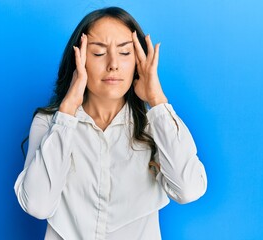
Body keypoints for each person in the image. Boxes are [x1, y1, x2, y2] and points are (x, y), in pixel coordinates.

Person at [14, 6, 207, 240]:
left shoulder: (154, 125)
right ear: (79, 60)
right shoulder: (49, 123)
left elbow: (188, 190)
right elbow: (37, 205)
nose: (113, 64)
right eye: (98, 53)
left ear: (138, 61)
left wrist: (157, 101)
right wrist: (67, 112)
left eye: (125, 53)